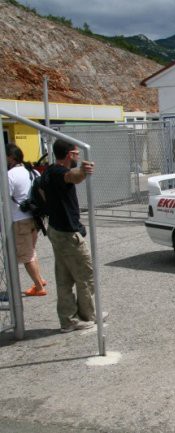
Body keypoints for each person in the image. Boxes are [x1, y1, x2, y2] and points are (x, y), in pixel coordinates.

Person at [43, 139, 105, 333]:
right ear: (70, 155)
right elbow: (73, 176)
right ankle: (86, 316)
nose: (78, 157)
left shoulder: (50, 172)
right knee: (85, 275)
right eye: (77, 154)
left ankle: (69, 319)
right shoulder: (59, 173)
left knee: (65, 278)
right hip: (68, 235)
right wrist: (84, 171)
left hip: (58, 231)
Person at [6, 144, 47, 296]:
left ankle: (39, 287)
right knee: (31, 251)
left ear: (10, 157)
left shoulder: (10, 175)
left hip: (19, 220)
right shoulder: (33, 171)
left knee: (26, 256)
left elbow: (4, 197)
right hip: (34, 218)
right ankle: (40, 280)